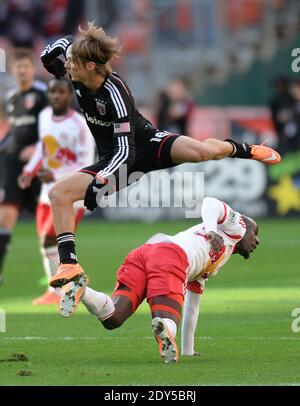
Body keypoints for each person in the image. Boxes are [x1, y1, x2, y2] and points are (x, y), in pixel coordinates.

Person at [39, 22, 278, 287]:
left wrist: (100, 183)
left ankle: (246, 149)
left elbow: (127, 151)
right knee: (58, 194)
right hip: (113, 158)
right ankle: (69, 265)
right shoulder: (77, 65)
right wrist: (49, 58)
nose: (67, 67)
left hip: (140, 145)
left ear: (91, 66)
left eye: (72, 63)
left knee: (200, 151)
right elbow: (57, 48)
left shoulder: (115, 94)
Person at [57, 197, 260, 364]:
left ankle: (82, 290)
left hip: (145, 254)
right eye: (256, 233)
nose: (257, 240)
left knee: (113, 318)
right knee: (167, 318)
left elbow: (192, 307)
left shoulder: (213, 264)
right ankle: (165, 329)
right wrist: (211, 230)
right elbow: (211, 203)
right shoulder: (237, 229)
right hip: (171, 257)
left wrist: (189, 350)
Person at [18, 78, 95, 305]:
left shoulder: (80, 124)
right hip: (47, 189)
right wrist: (30, 171)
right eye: (52, 92)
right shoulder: (44, 118)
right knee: (45, 241)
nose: (56, 96)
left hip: (71, 192)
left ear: (69, 95)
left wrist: (57, 176)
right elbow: (44, 147)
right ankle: (62, 288)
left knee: (53, 237)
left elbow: (86, 163)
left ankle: (65, 286)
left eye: (61, 92)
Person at [0, 49, 48, 285]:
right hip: (14, 165)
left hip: (39, 165)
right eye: (17, 67)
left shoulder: (43, 95)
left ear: (32, 69)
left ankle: (54, 274)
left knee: (45, 220)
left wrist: (38, 148)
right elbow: (14, 131)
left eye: (25, 66)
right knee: (5, 216)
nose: (21, 70)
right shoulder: (11, 98)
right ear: (12, 69)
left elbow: (52, 128)